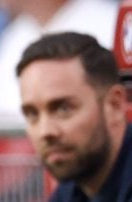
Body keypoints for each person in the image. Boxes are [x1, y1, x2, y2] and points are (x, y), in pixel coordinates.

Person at [17, 32, 132, 201]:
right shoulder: (73, 187)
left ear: (114, 105)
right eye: (32, 114)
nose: (46, 131)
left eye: (63, 109)